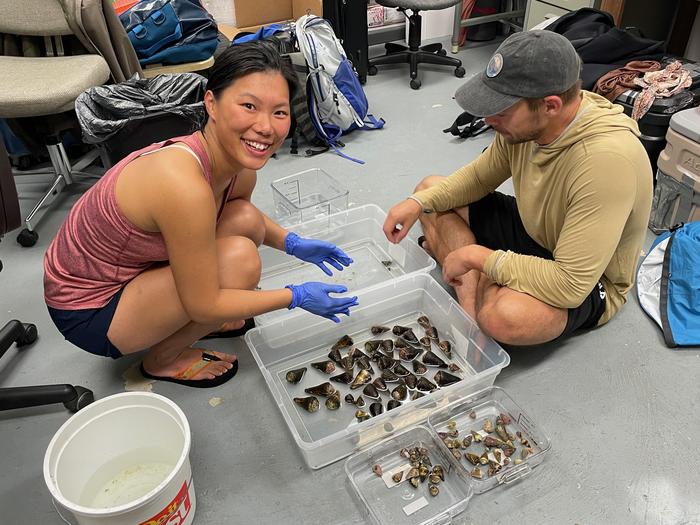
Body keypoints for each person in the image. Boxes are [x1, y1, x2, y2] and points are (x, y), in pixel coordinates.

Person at [44, 41, 359, 387]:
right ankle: (162, 359)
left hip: (135, 269)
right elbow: (203, 304)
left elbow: (243, 215)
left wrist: (293, 243)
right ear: (212, 103)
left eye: (279, 112)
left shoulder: (237, 163)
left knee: (243, 218)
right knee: (241, 263)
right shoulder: (182, 184)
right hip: (90, 309)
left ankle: (215, 319)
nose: (266, 127)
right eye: (249, 106)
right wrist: (295, 296)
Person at [383, 31, 653, 346]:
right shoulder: (522, 127)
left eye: (501, 109)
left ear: (550, 105)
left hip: (587, 278)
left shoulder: (607, 161)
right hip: (535, 232)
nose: (487, 118)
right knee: (430, 191)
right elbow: (479, 179)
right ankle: (471, 314)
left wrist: (477, 257)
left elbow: (570, 284)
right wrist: (416, 202)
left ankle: (479, 286)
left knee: (505, 317)